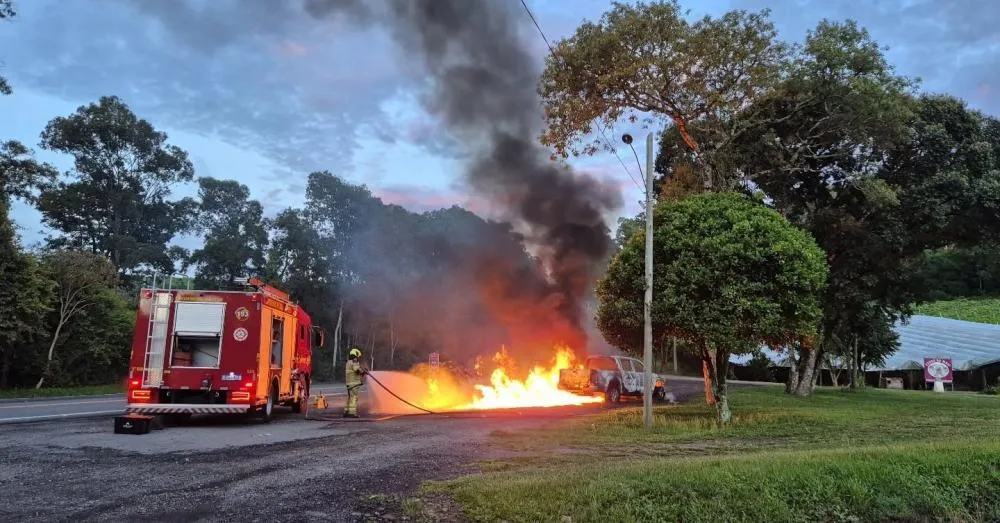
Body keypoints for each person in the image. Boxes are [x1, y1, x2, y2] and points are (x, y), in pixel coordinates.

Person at [344, 347, 368, 418]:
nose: (358, 358)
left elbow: (356, 371)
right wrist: (363, 372)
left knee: (350, 398)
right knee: (354, 398)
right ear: (355, 355)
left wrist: (362, 372)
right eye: (357, 356)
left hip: (349, 383)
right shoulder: (354, 362)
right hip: (354, 384)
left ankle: (346, 412)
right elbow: (357, 370)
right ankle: (352, 413)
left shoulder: (348, 362)